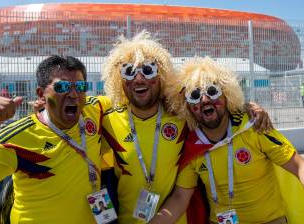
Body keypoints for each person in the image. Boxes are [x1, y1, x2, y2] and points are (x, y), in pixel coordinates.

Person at [100, 31, 272, 223]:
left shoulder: (182, 116)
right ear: (119, 79)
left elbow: (214, 107)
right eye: (129, 72)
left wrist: (246, 106)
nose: (139, 79)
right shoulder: (105, 121)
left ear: (161, 75)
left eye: (148, 70)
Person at [150, 57, 304, 224]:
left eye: (212, 91)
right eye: (195, 95)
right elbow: (180, 198)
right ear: (188, 106)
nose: (204, 100)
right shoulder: (192, 146)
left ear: (226, 95)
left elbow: (300, 165)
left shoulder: (254, 128)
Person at [0, 55, 110, 223]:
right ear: (41, 94)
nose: (74, 94)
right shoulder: (15, 139)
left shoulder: (95, 109)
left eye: (80, 86)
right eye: (62, 87)